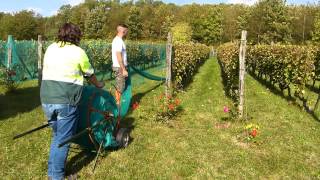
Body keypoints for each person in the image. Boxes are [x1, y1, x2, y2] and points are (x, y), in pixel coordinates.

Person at [40, 23, 104, 180]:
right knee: (64, 139)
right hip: (66, 100)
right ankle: (56, 176)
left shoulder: (51, 48)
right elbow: (89, 73)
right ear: (76, 36)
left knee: (57, 136)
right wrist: (99, 85)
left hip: (46, 98)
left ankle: (53, 171)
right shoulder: (78, 52)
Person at [112, 23, 128, 105]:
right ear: (123, 30)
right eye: (126, 30)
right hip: (119, 67)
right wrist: (124, 69)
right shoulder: (118, 41)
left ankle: (120, 102)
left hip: (120, 66)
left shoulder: (119, 40)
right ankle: (117, 105)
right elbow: (118, 56)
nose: (127, 32)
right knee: (120, 87)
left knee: (121, 85)